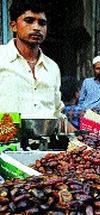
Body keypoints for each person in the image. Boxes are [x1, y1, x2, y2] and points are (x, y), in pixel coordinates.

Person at [0, 0, 75, 131]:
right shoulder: (2, 57)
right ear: (13, 26)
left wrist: (84, 139)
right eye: (29, 20)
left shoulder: (52, 68)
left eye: (42, 23)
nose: (36, 27)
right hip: (6, 146)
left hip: (46, 147)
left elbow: (57, 114)